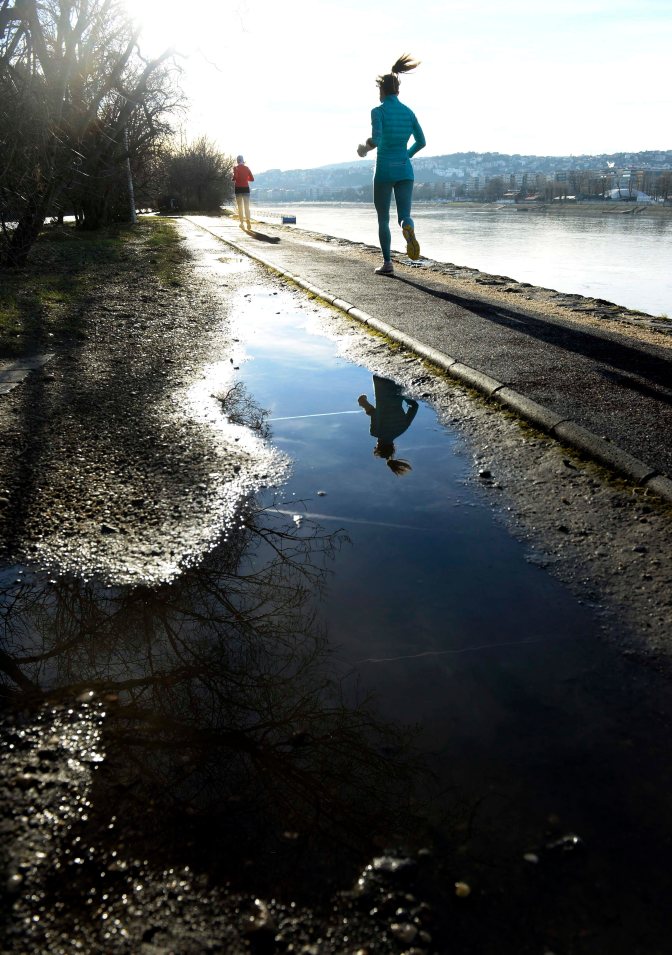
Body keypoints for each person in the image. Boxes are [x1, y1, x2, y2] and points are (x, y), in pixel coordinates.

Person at [357, 54, 426, 276]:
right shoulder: (408, 112)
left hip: (385, 170)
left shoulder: (378, 111)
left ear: (383, 90)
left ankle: (388, 264)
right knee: (403, 215)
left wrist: (363, 148)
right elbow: (422, 141)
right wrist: (406, 154)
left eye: (379, 90)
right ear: (398, 90)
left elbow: (375, 140)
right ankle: (408, 227)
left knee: (383, 219)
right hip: (405, 169)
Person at [358, 375, 418, 475]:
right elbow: (373, 412)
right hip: (381, 385)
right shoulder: (375, 432)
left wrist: (403, 396)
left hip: (400, 385)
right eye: (376, 445)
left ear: (393, 446)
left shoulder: (402, 429)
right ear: (378, 445)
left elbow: (414, 406)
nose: (376, 443)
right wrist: (362, 402)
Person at [232, 155, 254, 230]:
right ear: (243, 160)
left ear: (237, 161)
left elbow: (235, 177)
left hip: (238, 188)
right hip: (246, 188)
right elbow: (252, 179)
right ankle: (248, 222)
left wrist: (233, 178)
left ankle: (241, 223)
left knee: (240, 207)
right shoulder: (247, 168)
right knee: (246, 206)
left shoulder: (235, 168)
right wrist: (245, 178)